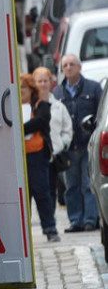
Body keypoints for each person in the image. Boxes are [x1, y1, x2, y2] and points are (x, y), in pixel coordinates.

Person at [53, 54, 103, 232]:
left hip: (89, 145)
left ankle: (91, 219)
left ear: (79, 67)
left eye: (72, 64)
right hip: (69, 147)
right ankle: (75, 220)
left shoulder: (94, 88)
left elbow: (100, 114)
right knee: (71, 186)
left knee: (89, 183)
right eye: (65, 65)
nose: (68, 68)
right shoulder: (57, 92)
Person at [20, 74, 58, 241]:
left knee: (42, 192)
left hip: (37, 155)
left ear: (31, 89)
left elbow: (41, 122)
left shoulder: (40, 105)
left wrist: (19, 129)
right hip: (19, 156)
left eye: (23, 88)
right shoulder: (11, 106)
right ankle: (24, 234)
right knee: (23, 196)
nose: (20, 91)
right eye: (18, 88)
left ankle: (50, 229)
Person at [34, 67, 72, 207]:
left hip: (53, 156)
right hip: (36, 156)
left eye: (45, 81)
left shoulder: (59, 106)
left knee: (52, 191)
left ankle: (50, 224)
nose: (43, 84)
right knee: (39, 192)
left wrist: (62, 144)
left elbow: (67, 129)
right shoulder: (30, 106)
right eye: (39, 81)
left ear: (50, 82)